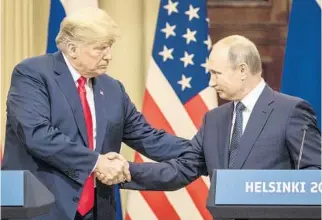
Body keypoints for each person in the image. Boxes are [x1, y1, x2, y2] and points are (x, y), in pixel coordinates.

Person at [1, 7, 189, 220]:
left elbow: (147, 136)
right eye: (100, 48)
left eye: (110, 47)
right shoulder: (33, 73)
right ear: (72, 49)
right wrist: (97, 162)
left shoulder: (112, 89)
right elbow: (37, 134)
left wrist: (200, 151)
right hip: (38, 207)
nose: (109, 56)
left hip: (96, 210)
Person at [121, 35, 321, 192]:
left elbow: (315, 175)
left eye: (216, 73)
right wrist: (123, 171)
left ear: (242, 70)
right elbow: (181, 169)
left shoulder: (291, 111)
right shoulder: (214, 120)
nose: (211, 83)